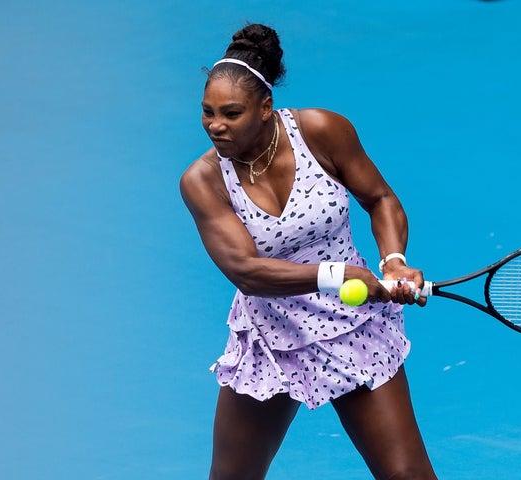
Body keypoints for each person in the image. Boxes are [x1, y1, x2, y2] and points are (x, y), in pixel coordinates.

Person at [180, 23, 439, 480]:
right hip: (270, 338)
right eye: (207, 112)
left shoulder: (322, 131)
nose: (215, 126)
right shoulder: (203, 180)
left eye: (231, 113)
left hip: (354, 325)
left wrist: (393, 261)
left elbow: (379, 199)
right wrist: (336, 276)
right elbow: (246, 272)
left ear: (265, 108)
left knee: (408, 476)